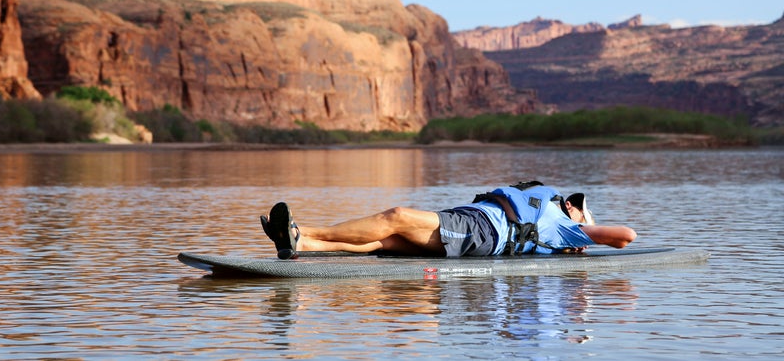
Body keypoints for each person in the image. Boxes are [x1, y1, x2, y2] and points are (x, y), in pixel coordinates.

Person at [260, 183, 637, 260]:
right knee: (386, 240)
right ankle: (303, 246)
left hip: (483, 232)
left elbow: (626, 236)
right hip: (474, 222)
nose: (570, 203)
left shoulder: (565, 226)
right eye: (573, 203)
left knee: (396, 217)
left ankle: (300, 230)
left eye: (577, 206)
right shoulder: (557, 215)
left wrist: (583, 237)